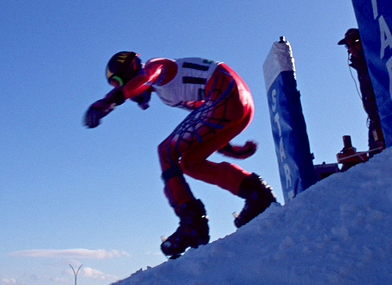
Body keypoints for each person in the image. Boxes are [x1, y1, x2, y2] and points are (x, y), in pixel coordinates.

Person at [84, 52, 277, 259]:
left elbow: (146, 78)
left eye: (119, 82)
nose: (120, 88)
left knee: (166, 150)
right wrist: (227, 146)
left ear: (130, 69)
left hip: (226, 92)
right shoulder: (166, 93)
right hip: (236, 103)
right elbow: (203, 114)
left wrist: (108, 101)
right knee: (190, 163)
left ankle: (191, 223)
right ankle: (255, 193)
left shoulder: (156, 67)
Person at [338, 29, 385, 153]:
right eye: (348, 45)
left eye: (355, 42)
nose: (351, 48)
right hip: (374, 121)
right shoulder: (360, 67)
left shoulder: (378, 60)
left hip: (387, 117)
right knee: (377, 157)